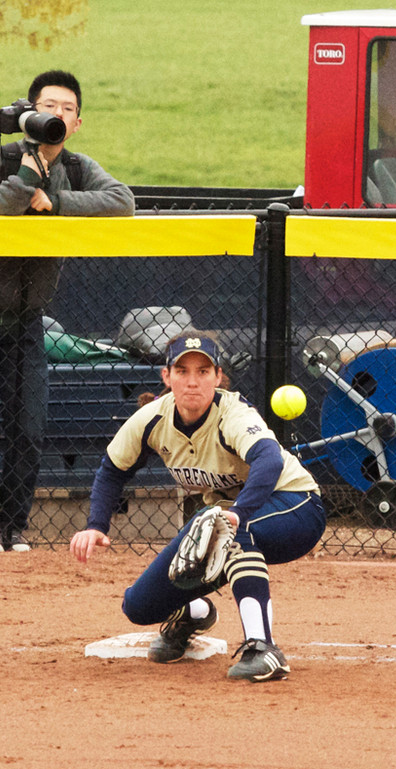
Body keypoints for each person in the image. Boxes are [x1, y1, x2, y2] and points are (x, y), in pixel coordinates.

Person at [70, 331, 326, 682]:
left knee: (232, 528)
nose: (193, 381)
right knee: (140, 605)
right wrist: (97, 525)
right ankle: (194, 612)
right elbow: (113, 468)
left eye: (203, 372)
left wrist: (239, 511)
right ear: (166, 376)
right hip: (224, 518)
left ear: (218, 376)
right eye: (182, 371)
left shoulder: (231, 413)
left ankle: (263, 648)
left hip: (296, 507)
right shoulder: (153, 419)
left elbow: (268, 460)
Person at [0, 70, 134, 552]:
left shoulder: (76, 167)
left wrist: (54, 201)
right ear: (28, 115)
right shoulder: (4, 158)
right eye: (47, 107)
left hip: (27, 320)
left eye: (67, 109)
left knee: (27, 427)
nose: (56, 116)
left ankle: (10, 528)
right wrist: (22, 184)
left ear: (78, 122)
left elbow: (122, 202)